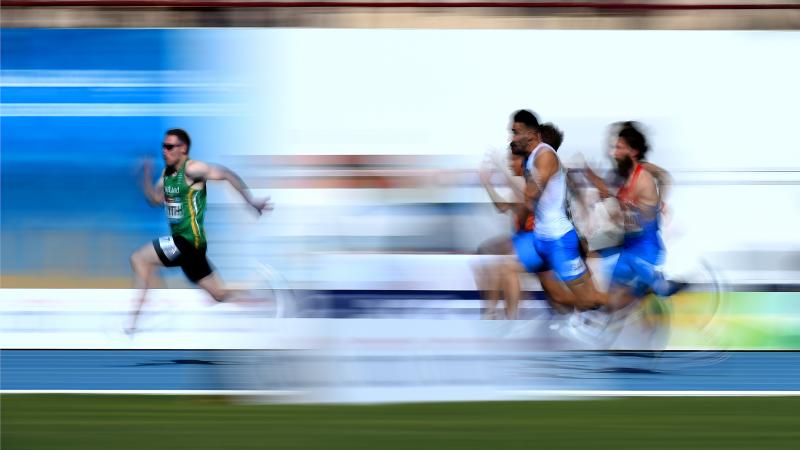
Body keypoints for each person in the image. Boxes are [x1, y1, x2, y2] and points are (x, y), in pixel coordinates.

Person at [126, 128, 272, 334]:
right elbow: (155, 200)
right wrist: (146, 176)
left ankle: (135, 321)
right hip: (189, 249)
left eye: (169, 147)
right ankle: (265, 301)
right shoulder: (167, 175)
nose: (164, 151)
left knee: (139, 259)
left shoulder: (192, 169)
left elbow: (226, 174)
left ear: (183, 148)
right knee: (219, 295)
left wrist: (251, 201)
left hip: (187, 243)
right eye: (163, 147)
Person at [581, 122, 685, 312]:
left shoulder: (642, 175)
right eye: (614, 147)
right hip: (631, 244)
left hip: (644, 249)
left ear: (633, 152)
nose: (613, 153)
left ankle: (658, 285)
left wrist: (660, 202)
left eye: (619, 148)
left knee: (619, 277)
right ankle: (649, 292)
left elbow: (663, 177)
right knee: (615, 299)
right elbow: (616, 203)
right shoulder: (624, 175)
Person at [510, 110, 607, 311]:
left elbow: (530, 197)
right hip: (545, 238)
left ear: (533, 134)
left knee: (587, 298)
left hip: (559, 239)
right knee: (557, 296)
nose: (513, 138)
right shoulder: (531, 159)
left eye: (516, 132)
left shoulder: (545, 155)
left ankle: (631, 300)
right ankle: (592, 321)